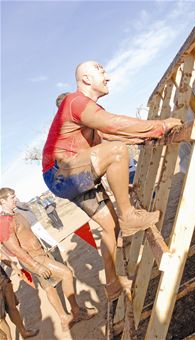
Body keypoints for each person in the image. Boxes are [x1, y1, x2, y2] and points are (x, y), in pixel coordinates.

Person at [42, 61, 182, 300]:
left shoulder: (85, 116)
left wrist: (143, 138)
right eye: (102, 71)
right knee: (116, 151)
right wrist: (159, 126)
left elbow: (111, 132)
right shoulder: (74, 101)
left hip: (70, 177)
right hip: (63, 173)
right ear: (86, 79)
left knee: (109, 226)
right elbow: (112, 124)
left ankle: (112, 285)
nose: (108, 77)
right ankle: (128, 215)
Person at [0, 188, 97, 332]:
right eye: (12, 197)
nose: (15, 199)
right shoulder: (3, 223)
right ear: (2, 201)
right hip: (33, 258)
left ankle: (64, 319)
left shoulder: (16, 214)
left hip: (40, 253)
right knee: (66, 273)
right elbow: (16, 250)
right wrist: (36, 266)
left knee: (49, 287)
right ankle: (76, 312)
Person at [0, 261, 39, 339]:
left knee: (12, 308)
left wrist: (16, 269)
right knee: (1, 319)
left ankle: (23, 332)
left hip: (3, 279)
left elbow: (1, 255)